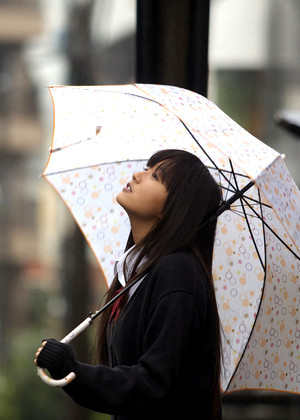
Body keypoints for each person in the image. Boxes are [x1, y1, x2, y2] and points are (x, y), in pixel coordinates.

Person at [35, 149, 223, 420]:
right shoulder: (138, 273)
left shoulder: (179, 272)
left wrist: (74, 370)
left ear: (176, 207)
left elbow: (154, 385)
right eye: (147, 168)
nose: (137, 175)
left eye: (155, 176)